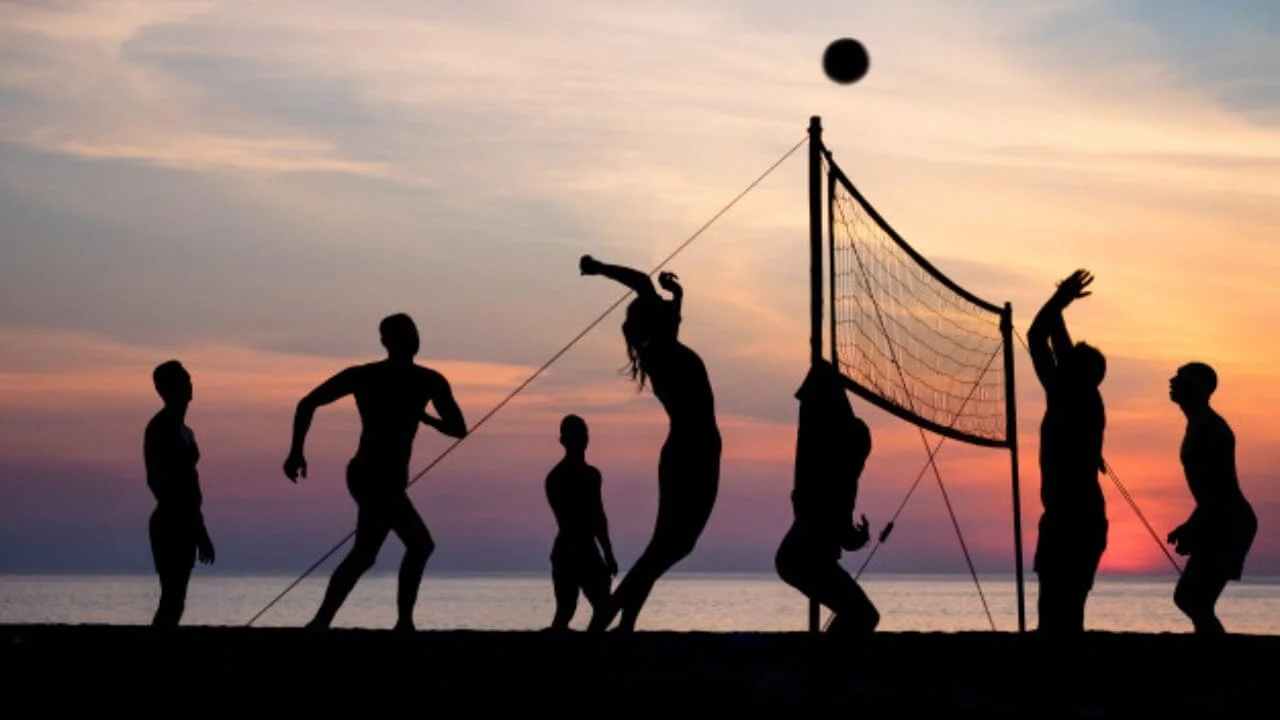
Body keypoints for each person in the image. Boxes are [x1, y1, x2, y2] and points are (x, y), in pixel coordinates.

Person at [283, 313, 467, 631]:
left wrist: (426, 420)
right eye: (403, 333)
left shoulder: (430, 380)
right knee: (419, 544)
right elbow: (307, 402)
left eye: (413, 332)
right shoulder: (365, 375)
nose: (411, 338)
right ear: (386, 342)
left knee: (365, 555)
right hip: (369, 473)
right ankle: (403, 623)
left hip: (392, 478)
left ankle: (322, 622)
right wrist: (296, 451)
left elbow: (458, 428)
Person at [579, 255, 721, 632]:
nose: (667, 308)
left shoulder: (660, 348)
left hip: (693, 448)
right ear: (654, 322)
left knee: (667, 544)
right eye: (660, 309)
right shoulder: (662, 352)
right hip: (693, 450)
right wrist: (597, 267)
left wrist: (678, 295)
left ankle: (623, 623)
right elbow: (643, 282)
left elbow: (662, 305)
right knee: (670, 545)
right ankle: (606, 619)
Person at [1027, 269, 1108, 635]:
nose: (1062, 357)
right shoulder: (1084, 395)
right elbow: (1055, 337)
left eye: (1069, 359)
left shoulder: (1067, 394)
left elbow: (1036, 335)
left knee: (1057, 613)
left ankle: (1057, 685)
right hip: (1083, 518)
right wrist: (1062, 298)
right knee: (1065, 612)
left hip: (1071, 520)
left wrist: (1062, 299)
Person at [775, 359, 879, 639]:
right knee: (863, 615)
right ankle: (827, 669)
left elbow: (845, 537)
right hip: (802, 559)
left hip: (799, 558)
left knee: (858, 614)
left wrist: (860, 537)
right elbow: (818, 423)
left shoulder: (837, 479)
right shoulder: (833, 477)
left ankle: (826, 664)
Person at [1167, 362, 1257, 635]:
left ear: (1196, 388)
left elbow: (1218, 490)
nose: (1171, 380)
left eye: (1180, 378)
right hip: (1219, 517)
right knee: (1193, 599)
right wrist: (1192, 525)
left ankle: (1218, 662)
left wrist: (1194, 526)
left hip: (1229, 521)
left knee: (1192, 599)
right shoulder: (1198, 424)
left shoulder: (1210, 428)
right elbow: (1211, 493)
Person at [144, 360, 215, 627]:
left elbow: (191, 485)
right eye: (183, 381)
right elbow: (157, 480)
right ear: (166, 389)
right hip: (170, 521)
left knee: (177, 598)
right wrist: (190, 522)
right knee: (172, 597)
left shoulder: (187, 431)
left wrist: (199, 526)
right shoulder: (160, 428)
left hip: (188, 519)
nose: (189, 385)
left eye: (189, 379)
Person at [544, 414, 619, 631]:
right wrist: (604, 554)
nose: (580, 439)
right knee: (567, 610)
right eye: (575, 435)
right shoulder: (557, 477)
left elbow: (599, 516)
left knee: (600, 608)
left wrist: (608, 553)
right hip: (572, 549)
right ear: (563, 441)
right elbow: (586, 518)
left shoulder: (591, 475)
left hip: (584, 549)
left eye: (583, 434)